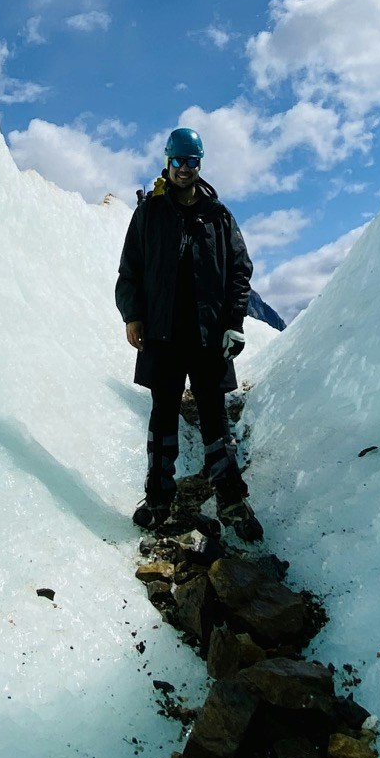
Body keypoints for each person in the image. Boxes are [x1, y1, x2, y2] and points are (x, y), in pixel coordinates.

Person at [115, 126, 259, 536]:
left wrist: (234, 323)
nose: (184, 168)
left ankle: (233, 502)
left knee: (215, 420)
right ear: (167, 161)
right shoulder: (148, 215)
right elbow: (129, 273)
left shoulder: (219, 217)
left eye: (192, 161)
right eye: (178, 160)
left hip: (209, 337)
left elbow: (239, 272)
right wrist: (132, 316)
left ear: (200, 164)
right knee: (162, 420)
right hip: (162, 336)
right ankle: (159, 499)